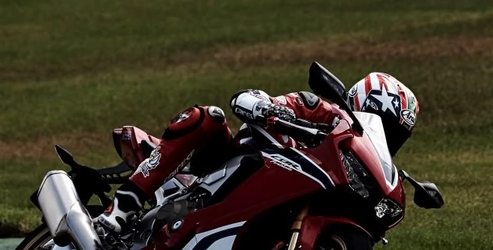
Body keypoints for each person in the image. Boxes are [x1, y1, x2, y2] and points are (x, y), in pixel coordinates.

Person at [95, 71, 420, 239]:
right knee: (209, 117)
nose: (386, 139)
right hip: (227, 167)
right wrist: (265, 107)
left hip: (270, 199)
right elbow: (251, 99)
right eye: (384, 127)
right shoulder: (324, 111)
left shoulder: (359, 166)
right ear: (359, 105)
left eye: (395, 136)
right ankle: (121, 210)